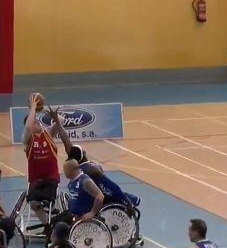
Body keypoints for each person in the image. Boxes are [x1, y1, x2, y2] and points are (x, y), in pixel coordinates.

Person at [66, 143, 141, 214]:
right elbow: (112, 187)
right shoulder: (92, 169)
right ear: (84, 153)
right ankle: (130, 199)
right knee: (118, 195)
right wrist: (127, 202)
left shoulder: (77, 170)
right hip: (92, 201)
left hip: (84, 200)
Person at [22, 94, 60, 225]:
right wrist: (33, 107)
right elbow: (27, 127)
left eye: (38, 121)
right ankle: (47, 225)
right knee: (33, 203)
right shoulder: (28, 140)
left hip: (51, 179)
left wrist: (45, 111)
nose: (37, 122)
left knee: (48, 201)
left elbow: (61, 120)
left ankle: (52, 208)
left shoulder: (48, 134)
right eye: (34, 121)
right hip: (35, 180)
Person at [49, 159, 104, 232]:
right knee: (53, 221)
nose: (64, 172)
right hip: (73, 214)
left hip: (82, 217)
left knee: (59, 227)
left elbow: (100, 196)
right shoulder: (73, 180)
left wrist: (92, 213)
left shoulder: (85, 181)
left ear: (71, 170)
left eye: (65, 170)